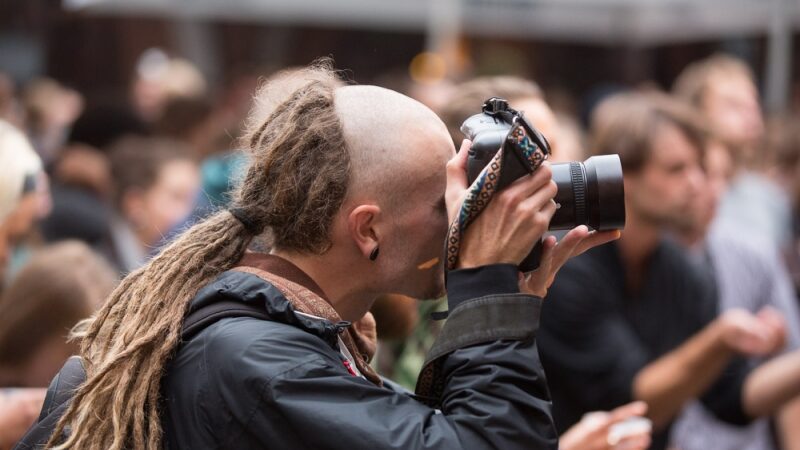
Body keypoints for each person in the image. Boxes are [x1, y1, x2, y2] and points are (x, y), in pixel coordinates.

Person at [45, 62, 616, 449]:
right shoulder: (257, 362)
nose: (464, 219)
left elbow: (432, 432)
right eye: (446, 204)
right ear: (368, 230)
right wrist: (486, 294)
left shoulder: (298, 341)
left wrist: (506, 300)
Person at [537, 91, 800, 450]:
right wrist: (719, 339)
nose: (697, 184)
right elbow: (632, 401)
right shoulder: (568, 267)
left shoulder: (684, 273)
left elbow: (733, 399)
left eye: (699, 167)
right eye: (677, 169)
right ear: (622, 176)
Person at [669, 135, 800, 450]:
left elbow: (737, 396)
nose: (710, 188)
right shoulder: (636, 262)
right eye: (684, 171)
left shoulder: (752, 253)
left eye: (721, 176)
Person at [673, 53, 792, 250]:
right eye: (733, 105)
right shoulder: (681, 192)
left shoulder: (769, 198)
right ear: (696, 111)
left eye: (753, 104)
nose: (751, 115)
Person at [105, 135, 200, 273]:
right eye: (177, 197)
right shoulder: (102, 267)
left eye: (193, 199)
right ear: (135, 204)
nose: (188, 212)